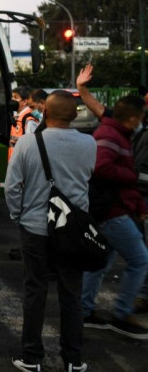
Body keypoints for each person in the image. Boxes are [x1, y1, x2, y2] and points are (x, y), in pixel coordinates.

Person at [5, 90, 95, 372]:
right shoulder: (89, 143)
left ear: (46, 111)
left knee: (35, 292)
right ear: (74, 114)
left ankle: (32, 357)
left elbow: (11, 186)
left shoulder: (28, 143)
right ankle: (73, 359)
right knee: (71, 294)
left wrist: (19, 214)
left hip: (35, 228)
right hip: (72, 231)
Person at [81, 95, 148, 339]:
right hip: (111, 211)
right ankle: (122, 314)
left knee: (100, 263)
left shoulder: (117, 134)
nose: (142, 121)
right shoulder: (110, 136)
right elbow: (101, 167)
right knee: (140, 259)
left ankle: (84, 310)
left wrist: (138, 204)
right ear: (132, 118)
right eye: (140, 117)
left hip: (113, 208)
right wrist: (130, 175)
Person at [8, 86, 37, 160]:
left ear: (24, 101)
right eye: (12, 97)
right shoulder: (18, 117)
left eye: (15, 97)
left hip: (22, 163)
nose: (12, 100)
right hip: (16, 161)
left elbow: (32, 146)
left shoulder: (29, 120)